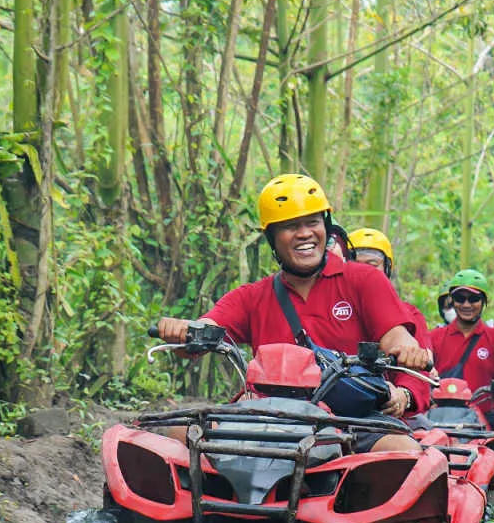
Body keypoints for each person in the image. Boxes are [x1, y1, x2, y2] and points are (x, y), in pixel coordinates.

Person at [156, 174, 430, 452]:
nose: (304, 233)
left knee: (402, 450)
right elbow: (207, 327)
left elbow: (396, 337)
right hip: (267, 417)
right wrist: (184, 331)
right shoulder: (253, 296)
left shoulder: (364, 280)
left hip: (348, 421)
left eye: (313, 222)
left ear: (326, 226)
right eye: (290, 226)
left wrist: (410, 351)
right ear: (272, 238)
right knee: (179, 432)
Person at [346, 227, 431, 417]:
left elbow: (417, 370)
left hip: (381, 412)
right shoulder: (331, 304)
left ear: (387, 268)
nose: (363, 271)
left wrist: (404, 395)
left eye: (372, 264)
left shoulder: (408, 314)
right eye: (355, 264)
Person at [427, 269, 494, 429]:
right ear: (452, 301)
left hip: (487, 416)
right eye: (460, 298)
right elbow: (424, 371)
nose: (466, 304)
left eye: (473, 299)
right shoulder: (435, 336)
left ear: (483, 301)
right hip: (442, 416)